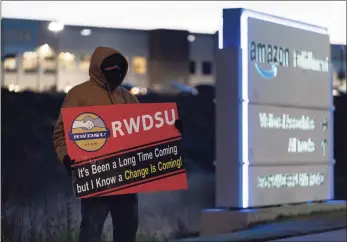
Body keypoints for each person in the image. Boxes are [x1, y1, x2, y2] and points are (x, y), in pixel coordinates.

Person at [53, 46, 183, 242]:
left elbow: (143, 133)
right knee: (91, 230)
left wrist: (171, 129)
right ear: (99, 68)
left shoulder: (129, 97)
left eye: (119, 68)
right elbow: (61, 133)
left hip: (126, 177)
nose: (117, 72)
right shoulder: (79, 94)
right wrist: (66, 158)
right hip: (96, 176)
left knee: (127, 229)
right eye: (111, 68)